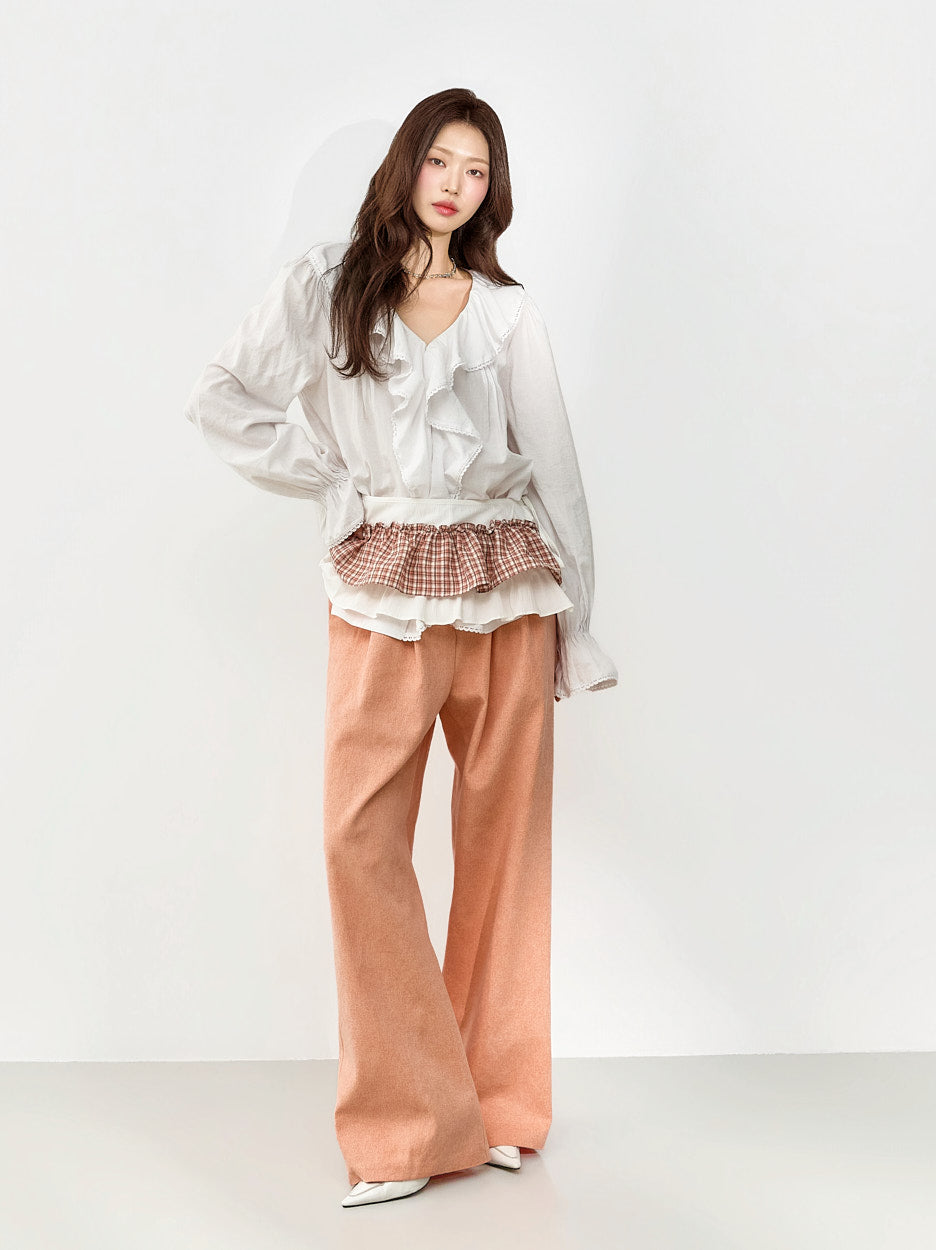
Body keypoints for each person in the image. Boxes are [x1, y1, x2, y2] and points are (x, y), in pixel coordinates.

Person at [184, 86, 618, 1208]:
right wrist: (331, 484)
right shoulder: (329, 284)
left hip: (509, 589)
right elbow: (223, 395)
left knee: (506, 845)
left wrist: (579, 620)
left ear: (493, 189)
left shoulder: (507, 313)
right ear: (405, 161)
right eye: (440, 159)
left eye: (477, 170)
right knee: (358, 839)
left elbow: (557, 468)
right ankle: (407, 1121)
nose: (455, 184)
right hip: (381, 590)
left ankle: (501, 1102)